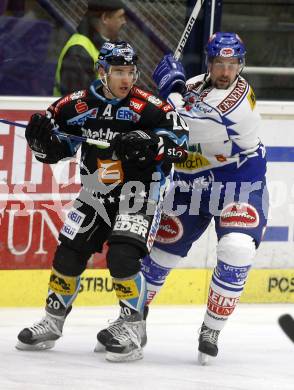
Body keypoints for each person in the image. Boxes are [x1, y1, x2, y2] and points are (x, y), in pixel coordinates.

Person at [97, 32, 269, 364]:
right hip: (192, 181)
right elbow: (166, 119)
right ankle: (132, 321)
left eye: (232, 65)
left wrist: (171, 90)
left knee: (236, 247)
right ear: (209, 63)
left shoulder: (240, 100)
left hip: (240, 179)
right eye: (219, 63)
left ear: (241, 66)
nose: (225, 71)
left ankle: (211, 328)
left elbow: (191, 125)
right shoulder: (191, 85)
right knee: (161, 250)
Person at [16, 41, 188, 362]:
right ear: (102, 71)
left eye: (130, 72)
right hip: (96, 190)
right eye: (118, 72)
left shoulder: (150, 107)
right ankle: (52, 321)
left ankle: (133, 326)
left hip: (139, 190)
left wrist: (150, 142)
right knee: (68, 253)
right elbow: (57, 148)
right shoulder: (75, 105)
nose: (126, 79)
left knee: (122, 256)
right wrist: (40, 140)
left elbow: (180, 142)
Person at [53, 0, 127, 96]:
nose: (124, 21)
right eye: (120, 17)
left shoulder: (106, 46)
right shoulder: (79, 52)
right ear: (105, 18)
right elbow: (79, 103)